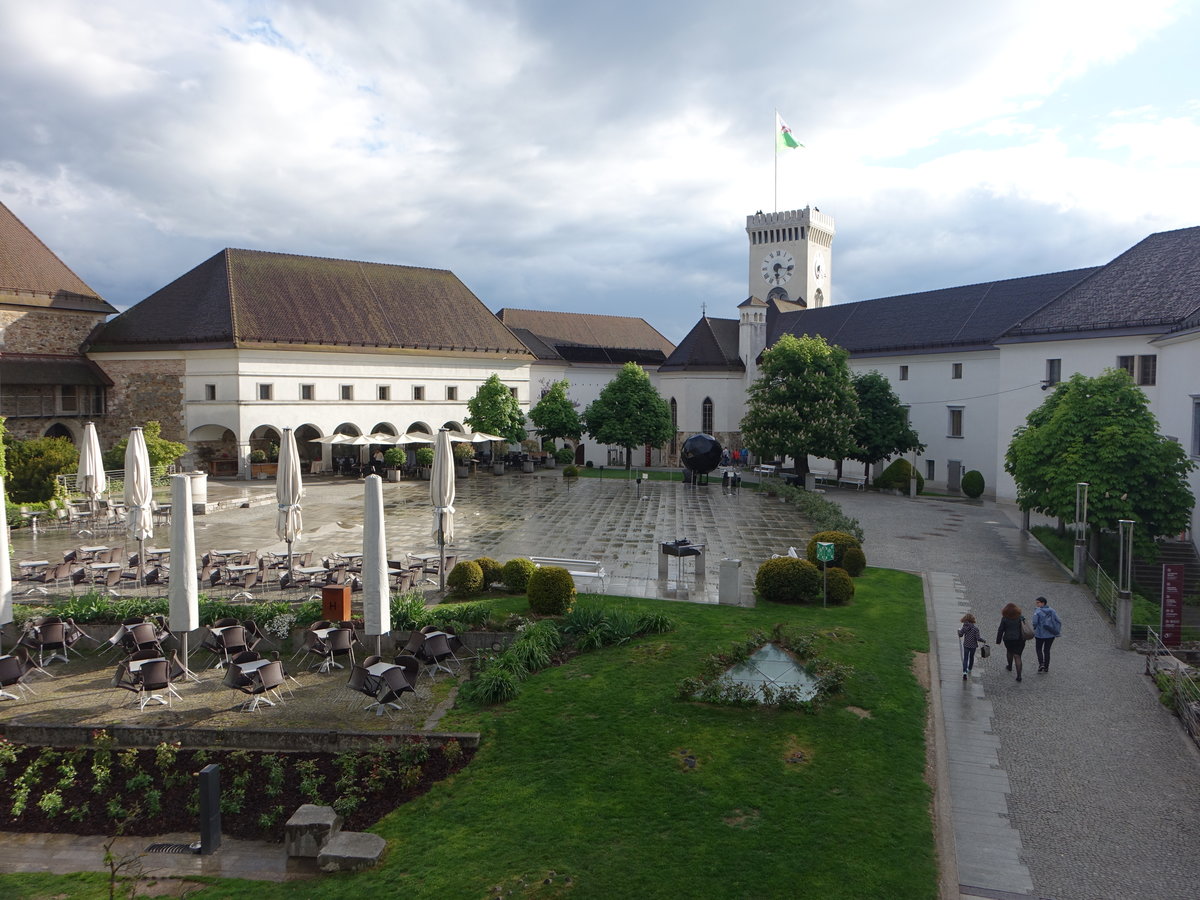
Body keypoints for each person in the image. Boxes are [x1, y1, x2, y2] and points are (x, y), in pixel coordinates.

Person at [996, 602, 1028, 682]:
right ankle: (1019, 676)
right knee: (1017, 656)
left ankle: (1010, 666)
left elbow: (1000, 630)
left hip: (1008, 639)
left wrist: (998, 640)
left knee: (1009, 652)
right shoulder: (1021, 617)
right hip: (1020, 639)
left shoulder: (1004, 618)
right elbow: (1025, 627)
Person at [1031, 596, 1062, 673]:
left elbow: (1034, 622)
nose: (1036, 604)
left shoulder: (1037, 611)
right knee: (1047, 650)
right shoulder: (1052, 611)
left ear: (1043, 603)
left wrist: (1035, 628)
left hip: (1039, 634)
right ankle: (1046, 667)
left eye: (1038, 602)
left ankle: (1041, 663)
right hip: (1050, 634)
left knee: (1038, 649)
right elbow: (1058, 620)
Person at [957, 613, 983, 680]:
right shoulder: (975, 629)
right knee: (971, 657)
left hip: (966, 645)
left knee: (965, 658)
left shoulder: (964, 627)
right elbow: (978, 638)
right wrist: (983, 640)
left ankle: (964, 672)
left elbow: (960, 635)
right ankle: (970, 668)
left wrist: (959, 631)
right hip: (973, 646)